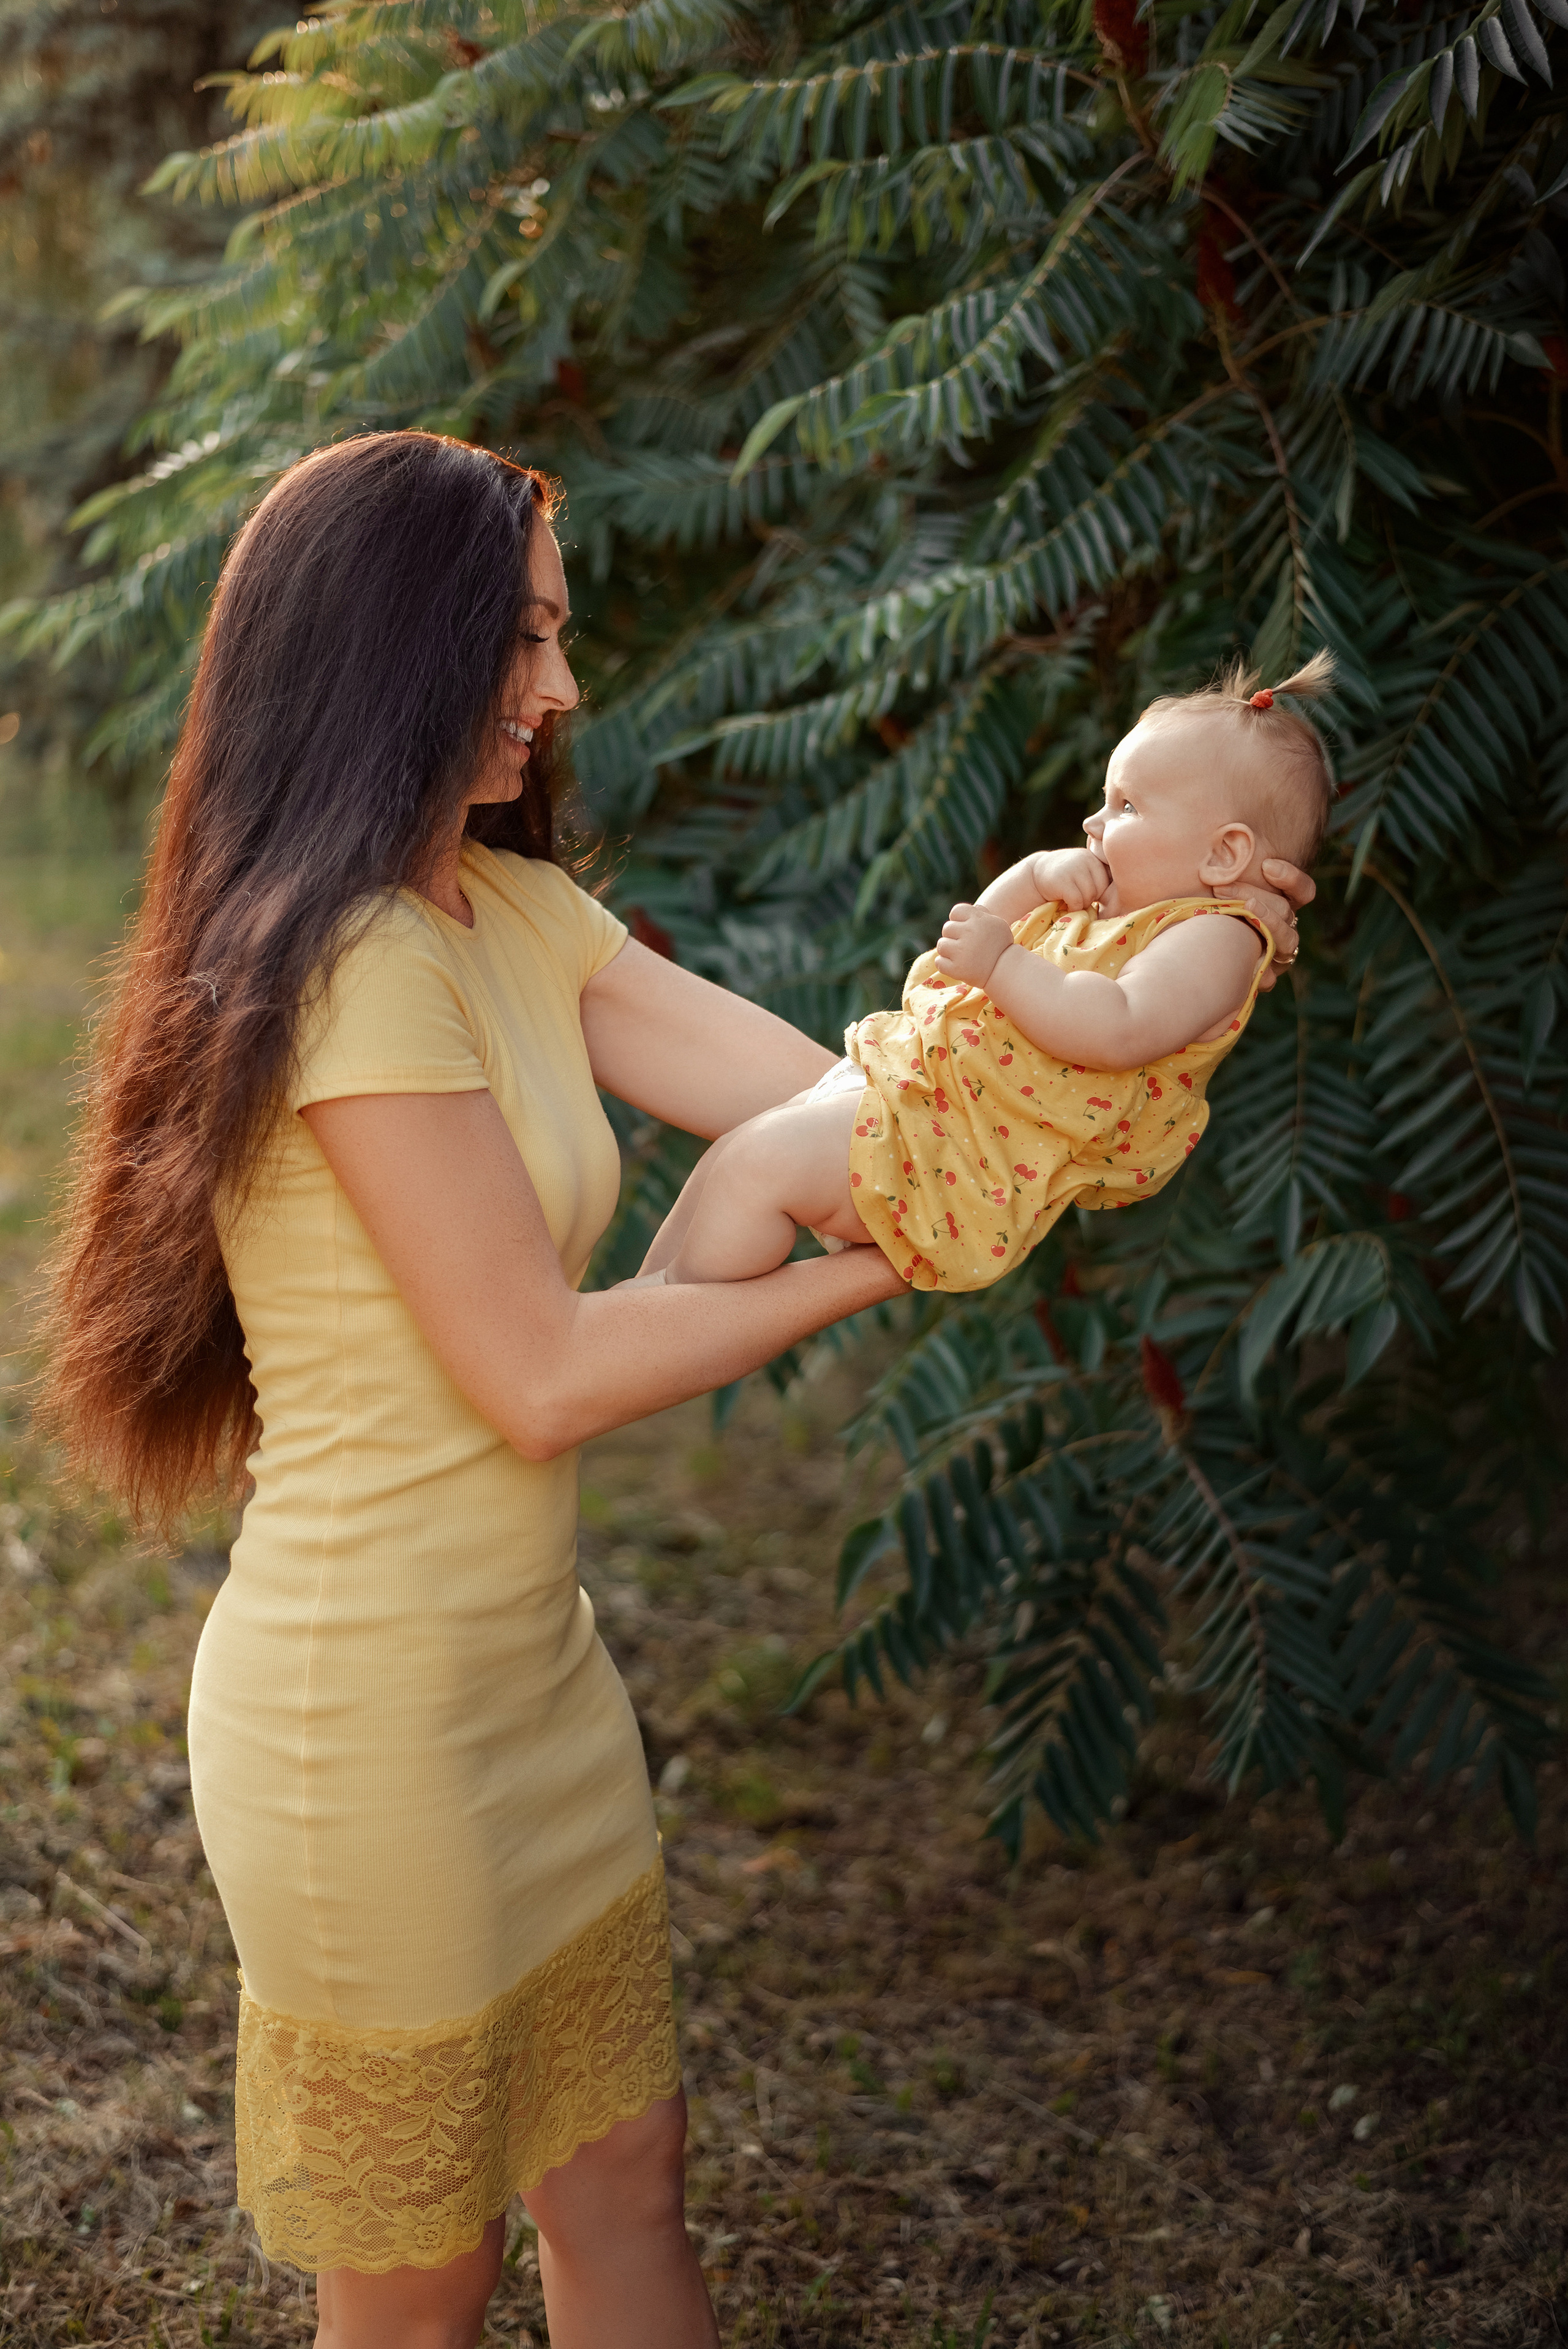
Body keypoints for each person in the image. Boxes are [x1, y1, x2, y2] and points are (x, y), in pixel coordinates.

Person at [36, 428, 1314, 2349]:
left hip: (531, 1679)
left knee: (627, 2185)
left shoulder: (512, 915)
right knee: (419, 2279)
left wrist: (1118, 1017)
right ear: (393, 652)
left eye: (559, 637)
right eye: (521, 642)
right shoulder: (349, 972)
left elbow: (835, 1106)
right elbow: (541, 1377)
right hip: (360, 1724)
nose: (560, 692)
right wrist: (879, 1261)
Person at [638, 657, 1333, 1293]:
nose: (1093, 822)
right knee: (735, 1152)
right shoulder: (1104, 914)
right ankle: (643, 1300)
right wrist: (1030, 879)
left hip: (960, 1156)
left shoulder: (1218, 938)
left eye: (1126, 806)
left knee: (755, 1169)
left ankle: (667, 1326)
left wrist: (1002, 963)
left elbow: (1116, 1027)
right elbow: (964, 947)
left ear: (1224, 855)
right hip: (922, 1100)